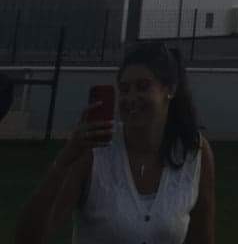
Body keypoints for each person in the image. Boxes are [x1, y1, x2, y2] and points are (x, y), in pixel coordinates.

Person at [15, 40, 215, 244]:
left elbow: (202, 238)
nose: (131, 98)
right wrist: (65, 159)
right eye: (125, 89)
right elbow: (28, 237)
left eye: (143, 87)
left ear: (169, 89)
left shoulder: (194, 152)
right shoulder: (93, 153)